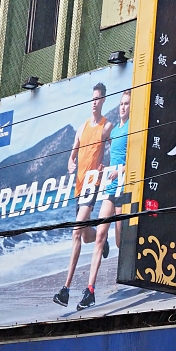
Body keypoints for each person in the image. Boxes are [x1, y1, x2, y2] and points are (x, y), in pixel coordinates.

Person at [53, 83, 113, 311]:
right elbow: (72, 154)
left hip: (92, 185)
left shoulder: (106, 126)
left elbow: (115, 146)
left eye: (98, 98)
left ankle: (65, 290)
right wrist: (70, 163)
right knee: (87, 235)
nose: (95, 102)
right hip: (78, 188)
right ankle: (101, 237)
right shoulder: (81, 128)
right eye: (93, 98)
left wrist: (105, 167)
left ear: (104, 100)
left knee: (76, 232)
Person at [85, 90, 129, 299]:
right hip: (110, 188)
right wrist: (105, 169)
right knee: (100, 235)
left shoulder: (132, 129)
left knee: (120, 240)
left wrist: (118, 171)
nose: (122, 107)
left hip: (123, 187)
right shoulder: (115, 131)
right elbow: (114, 158)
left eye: (127, 104)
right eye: (121, 103)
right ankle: (90, 288)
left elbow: (135, 161)